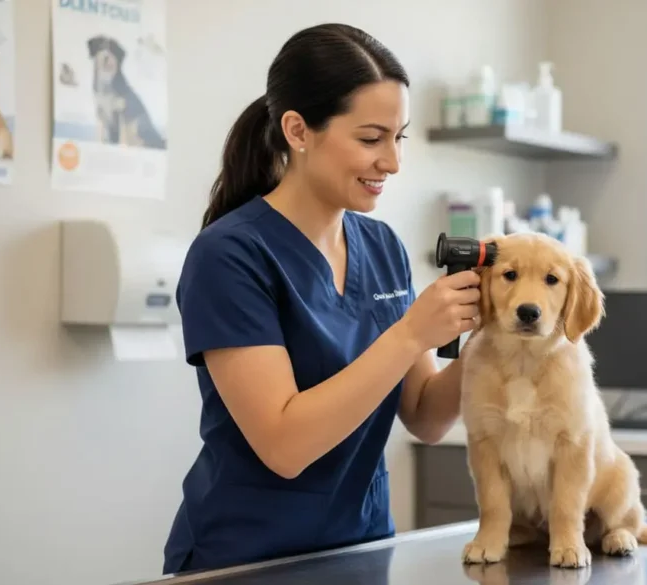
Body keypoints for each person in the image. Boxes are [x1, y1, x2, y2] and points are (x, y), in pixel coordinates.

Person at [162, 23, 481, 574]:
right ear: (297, 130)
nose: (393, 162)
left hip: (359, 547)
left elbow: (426, 416)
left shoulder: (382, 246)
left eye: (398, 137)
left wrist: (496, 335)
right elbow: (285, 445)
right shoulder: (229, 256)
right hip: (246, 558)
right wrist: (410, 333)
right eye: (370, 138)